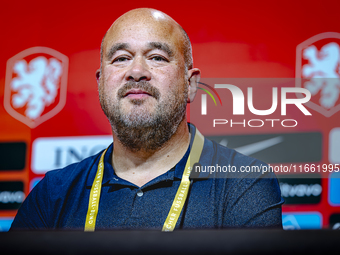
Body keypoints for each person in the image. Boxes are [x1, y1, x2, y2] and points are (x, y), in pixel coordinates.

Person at [10, 8, 284, 231]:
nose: (137, 71)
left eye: (156, 57)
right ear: (101, 82)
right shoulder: (53, 194)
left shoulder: (243, 183)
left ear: (190, 85)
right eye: (120, 59)